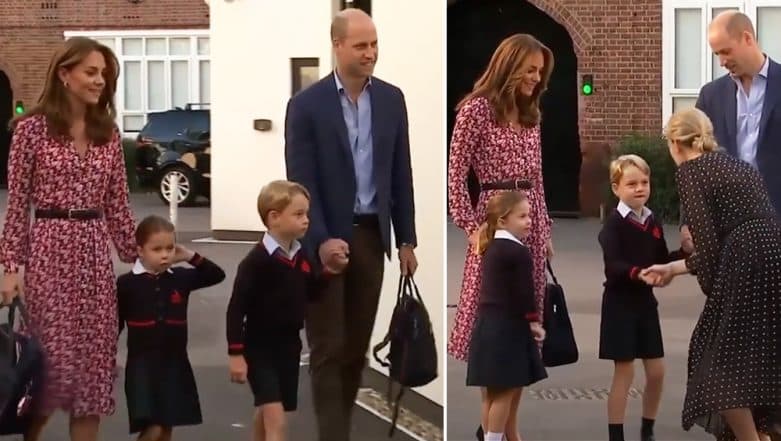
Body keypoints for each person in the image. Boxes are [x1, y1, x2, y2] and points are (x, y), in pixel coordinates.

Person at [283, 8, 418, 441]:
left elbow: (401, 173)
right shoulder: (306, 106)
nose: (370, 52)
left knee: (355, 349)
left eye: (374, 44)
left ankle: (338, 429)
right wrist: (320, 241)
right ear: (337, 46)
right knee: (327, 348)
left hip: (370, 237)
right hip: (324, 238)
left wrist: (407, 240)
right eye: (361, 45)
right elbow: (301, 183)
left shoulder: (392, 100)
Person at [0, 37, 137, 441]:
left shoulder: (108, 133)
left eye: (104, 74)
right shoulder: (30, 131)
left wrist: (144, 258)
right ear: (65, 74)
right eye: (91, 72)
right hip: (47, 253)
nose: (100, 81)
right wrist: (10, 268)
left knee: (91, 383)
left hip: (94, 259)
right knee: (44, 377)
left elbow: (118, 206)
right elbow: (16, 205)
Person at [644, 107, 781, 441]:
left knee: (714, 358)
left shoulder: (692, 172)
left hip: (745, 260)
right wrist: (675, 268)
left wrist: (705, 280)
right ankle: (766, 431)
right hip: (774, 252)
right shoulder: (738, 165)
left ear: (675, 142)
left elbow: (706, 243)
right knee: (763, 351)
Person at [446, 33, 555, 440]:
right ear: (508, 66)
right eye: (529, 69)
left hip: (531, 222)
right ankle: (497, 433)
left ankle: (510, 432)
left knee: (524, 340)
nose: (535, 78)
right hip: (492, 223)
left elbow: (539, 177)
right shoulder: (475, 111)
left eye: (539, 72)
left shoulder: (531, 113)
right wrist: (469, 226)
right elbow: (455, 176)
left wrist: (546, 229)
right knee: (498, 335)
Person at [226, 181, 347, 441]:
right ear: (274, 217)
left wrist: (328, 273)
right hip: (259, 348)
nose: (306, 220)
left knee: (270, 410)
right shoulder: (256, 262)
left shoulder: (300, 256)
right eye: (298, 214)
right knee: (277, 422)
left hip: (289, 347)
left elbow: (310, 293)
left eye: (307, 214)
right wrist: (235, 353)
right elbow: (236, 309)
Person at [598, 155, 689, 441]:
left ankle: (647, 430)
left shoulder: (652, 220)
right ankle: (616, 435)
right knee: (624, 373)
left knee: (657, 372)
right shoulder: (613, 226)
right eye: (631, 183)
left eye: (644, 182)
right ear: (616, 188)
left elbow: (661, 258)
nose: (639, 188)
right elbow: (614, 266)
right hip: (619, 305)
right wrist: (638, 273)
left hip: (645, 305)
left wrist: (685, 254)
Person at [117, 215, 226, 441]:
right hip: (142, 366)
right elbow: (115, 324)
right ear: (140, 250)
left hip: (174, 363)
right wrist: (105, 357)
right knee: (154, 427)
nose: (165, 254)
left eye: (169, 247)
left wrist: (189, 255)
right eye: (156, 249)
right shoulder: (127, 284)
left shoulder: (180, 278)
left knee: (166, 429)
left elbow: (216, 275)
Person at [681, 11, 781, 249]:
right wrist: (688, 221)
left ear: (747, 39)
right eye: (716, 53)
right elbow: (694, 161)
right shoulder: (711, 95)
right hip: (727, 225)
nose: (721, 61)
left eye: (726, 51)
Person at [465, 189, 547, 441]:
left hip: (486, 327)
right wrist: (534, 321)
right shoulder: (518, 252)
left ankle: (494, 437)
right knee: (506, 393)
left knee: (491, 393)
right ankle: (494, 438)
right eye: (522, 217)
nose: (529, 222)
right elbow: (523, 292)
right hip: (508, 330)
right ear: (502, 220)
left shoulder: (490, 247)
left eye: (530, 216)